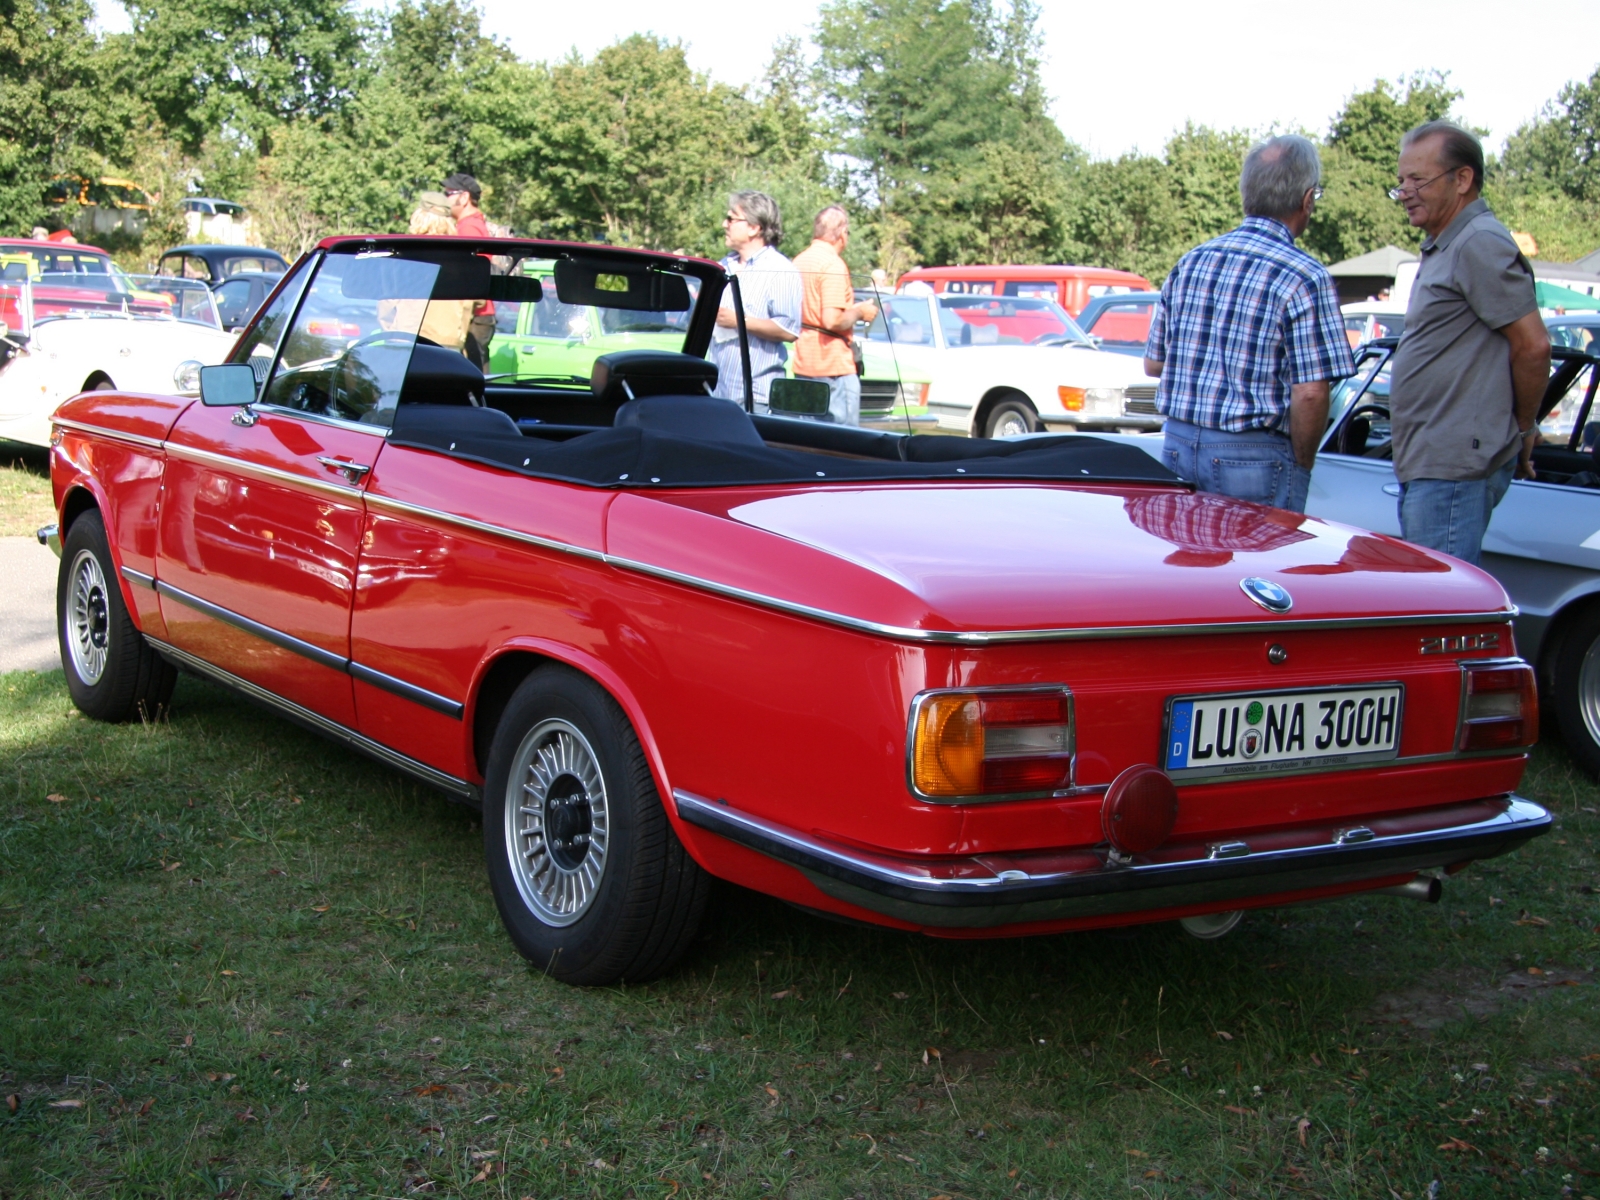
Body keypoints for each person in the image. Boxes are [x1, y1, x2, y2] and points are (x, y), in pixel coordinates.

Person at [1144, 134, 1354, 513]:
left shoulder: (1192, 261)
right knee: (1255, 569)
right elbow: (1310, 393)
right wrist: (1301, 465)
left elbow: (1155, 363)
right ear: (1307, 200)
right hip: (1254, 455)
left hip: (1177, 444)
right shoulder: (1305, 275)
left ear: (1247, 194)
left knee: (1189, 568)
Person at [1386, 121, 1549, 566]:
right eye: (1401, 180)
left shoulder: (1478, 242)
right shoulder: (1452, 242)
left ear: (1462, 180)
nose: (1405, 191)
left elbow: (1533, 346)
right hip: (1437, 463)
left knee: (1440, 611)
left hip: (1453, 467)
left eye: (1418, 179)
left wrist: (1521, 429)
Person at [710, 190, 801, 412]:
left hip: (756, 397)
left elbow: (789, 330)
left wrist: (739, 321)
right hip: (715, 392)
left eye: (732, 218)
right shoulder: (723, 266)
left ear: (754, 227)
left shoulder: (779, 269)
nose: (724, 224)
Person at [793, 205, 878, 425]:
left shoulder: (798, 261)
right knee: (845, 444)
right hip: (832, 369)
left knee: (808, 441)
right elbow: (831, 320)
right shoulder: (832, 264)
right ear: (842, 233)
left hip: (804, 364)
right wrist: (860, 311)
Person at [442, 173, 496, 366]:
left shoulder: (468, 230)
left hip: (474, 316)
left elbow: (469, 276)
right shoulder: (471, 225)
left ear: (464, 198)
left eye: (448, 193)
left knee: (470, 374)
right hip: (478, 315)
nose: (445, 198)